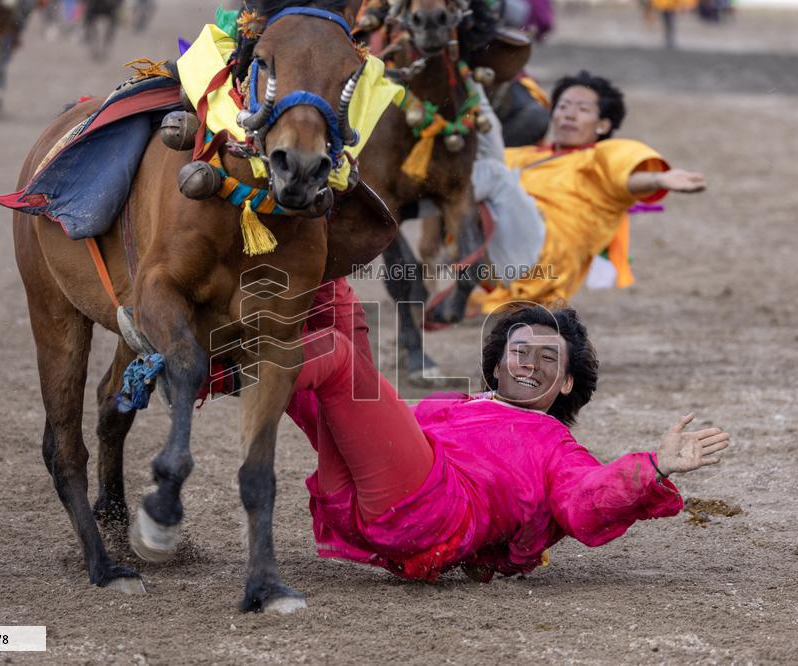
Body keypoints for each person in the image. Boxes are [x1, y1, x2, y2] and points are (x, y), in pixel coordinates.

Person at [284, 278, 730, 581]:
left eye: (549, 358)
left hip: (427, 513)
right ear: (497, 366)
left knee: (338, 357)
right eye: (520, 351)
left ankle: (221, 373)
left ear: (568, 382)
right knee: (337, 299)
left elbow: (587, 499)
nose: (531, 363)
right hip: (367, 502)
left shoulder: (555, 444)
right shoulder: (455, 405)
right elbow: (356, 428)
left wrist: (655, 467)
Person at [430, 70, 706, 324]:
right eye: (562, 106)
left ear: (602, 125)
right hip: (500, 258)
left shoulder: (601, 156)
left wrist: (658, 179)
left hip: (543, 260)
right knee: (487, 135)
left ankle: (436, 195)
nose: (569, 115)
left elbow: (629, 179)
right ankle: (464, 74)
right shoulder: (525, 155)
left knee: (492, 171)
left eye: (582, 109)